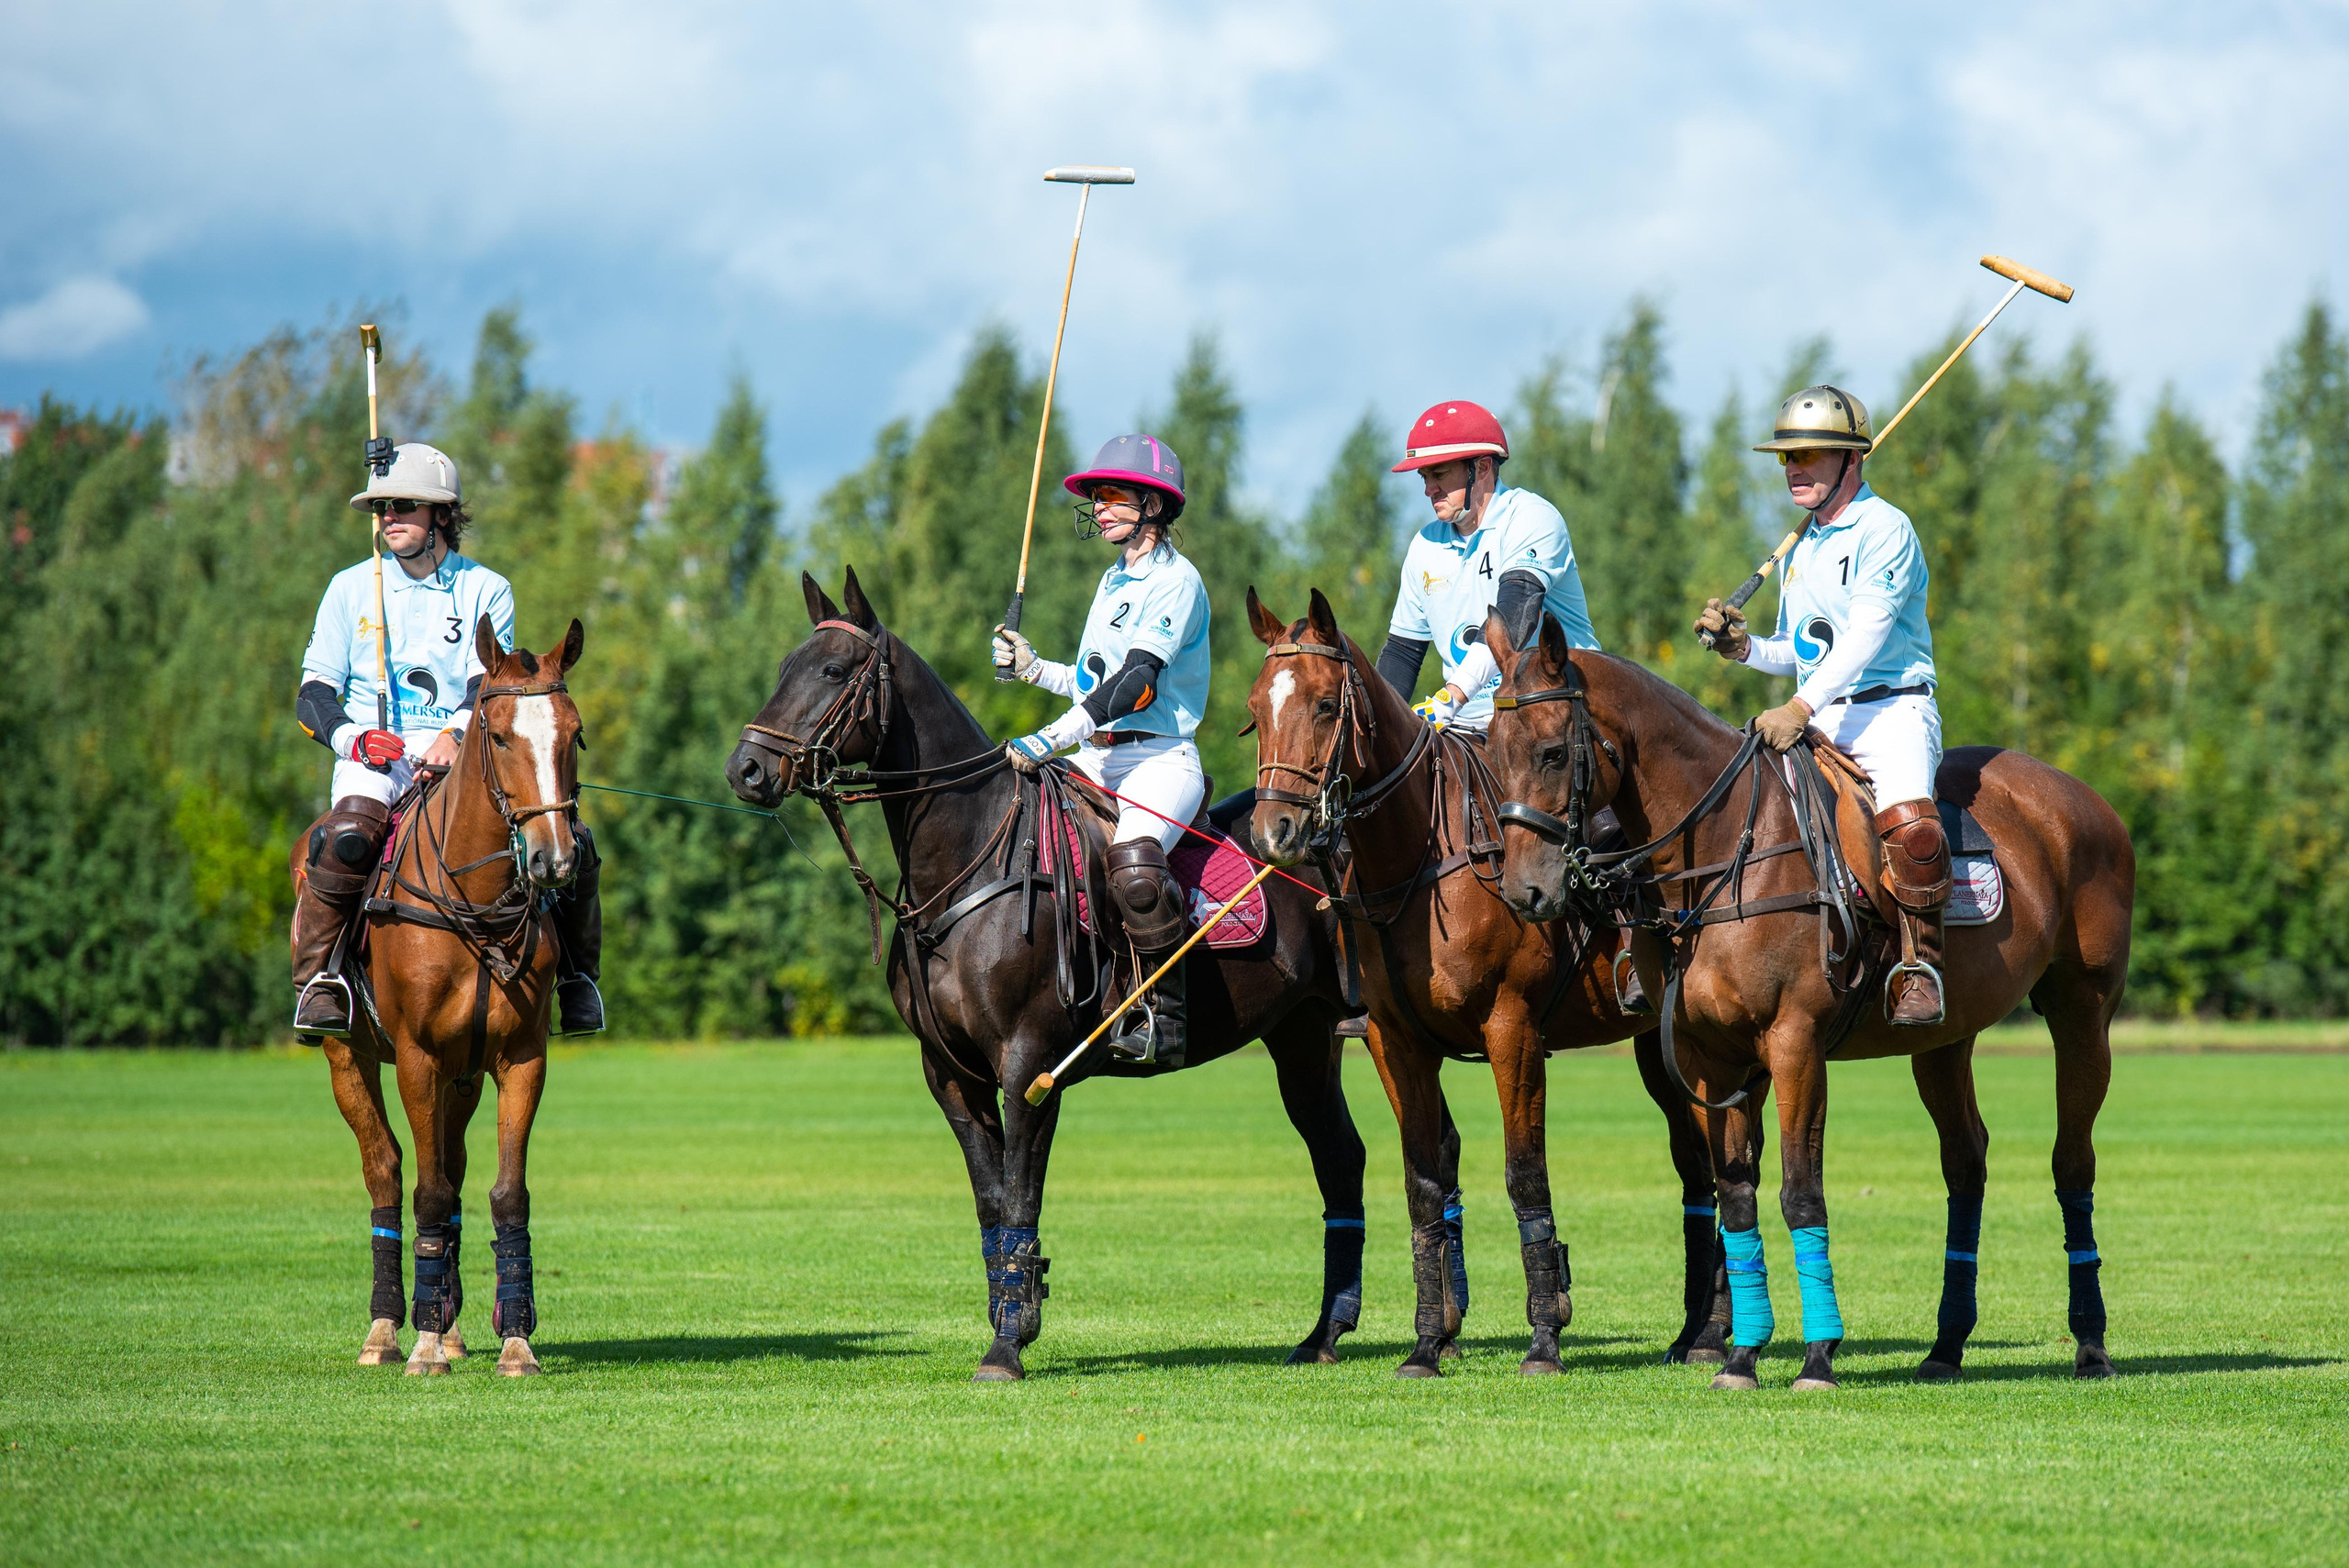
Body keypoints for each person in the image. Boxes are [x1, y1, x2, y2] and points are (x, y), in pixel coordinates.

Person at [290, 440, 604, 1038]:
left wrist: (455, 736)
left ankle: (577, 980)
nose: (388, 518)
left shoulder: (486, 588)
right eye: (381, 506)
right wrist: (355, 739)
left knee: (574, 842)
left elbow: (489, 679)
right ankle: (320, 980)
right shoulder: (351, 588)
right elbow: (313, 695)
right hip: (374, 760)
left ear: (441, 513)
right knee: (347, 837)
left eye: (403, 505)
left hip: (461, 757)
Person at [1694, 384, 1948, 1026]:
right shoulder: (1802, 546)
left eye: (1810, 454)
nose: (1794, 468)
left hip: (1892, 711)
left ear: (1851, 460)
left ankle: (1922, 966)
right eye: (1787, 457)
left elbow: (1864, 638)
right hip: (1821, 707)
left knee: (1912, 829)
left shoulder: (1886, 529)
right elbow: (1804, 651)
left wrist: (1799, 707)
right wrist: (1744, 647)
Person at [991, 433, 1209, 1064]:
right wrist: (1038, 670)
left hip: (1159, 759)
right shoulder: (1113, 579)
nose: (1100, 506)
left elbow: (1137, 685)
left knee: (1133, 862)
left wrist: (1055, 735)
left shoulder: (1178, 581)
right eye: (1097, 495)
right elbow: (1096, 684)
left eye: (1112, 493)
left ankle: (1163, 1017)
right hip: (1098, 753)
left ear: (1153, 502)